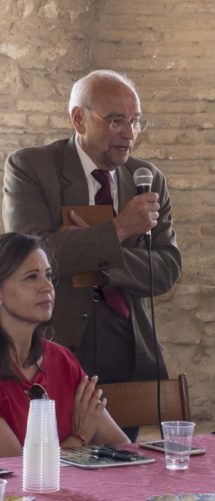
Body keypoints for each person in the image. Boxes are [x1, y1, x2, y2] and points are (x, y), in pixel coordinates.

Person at [2, 69, 181, 388]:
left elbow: (167, 269)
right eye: (115, 121)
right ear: (79, 119)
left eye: (135, 120)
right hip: (54, 342)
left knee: (124, 440)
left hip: (128, 346)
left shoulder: (148, 177)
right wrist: (121, 228)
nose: (129, 133)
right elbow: (30, 261)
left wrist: (88, 255)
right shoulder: (31, 168)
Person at [0, 233, 128, 458]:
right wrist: (78, 438)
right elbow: (18, 474)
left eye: (48, 275)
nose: (47, 286)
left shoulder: (62, 359)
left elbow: (123, 448)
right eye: (31, 277)